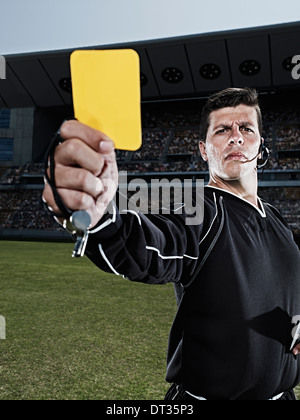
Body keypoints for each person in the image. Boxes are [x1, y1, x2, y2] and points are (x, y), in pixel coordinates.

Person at [43, 87, 300, 400]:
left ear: (261, 146)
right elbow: (147, 246)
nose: (236, 137)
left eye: (246, 128)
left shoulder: (277, 219)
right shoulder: (199, 209)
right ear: (204, 149)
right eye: (222, 130)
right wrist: (101, 219)